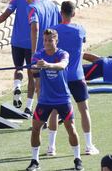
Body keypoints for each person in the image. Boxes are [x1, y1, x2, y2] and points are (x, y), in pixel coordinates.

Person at [46, 1, 99, 156]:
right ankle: (89, 146)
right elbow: (82, 44)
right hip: (76, 76)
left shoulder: (53, 31)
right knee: (84, 110)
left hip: (59, 77)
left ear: (60, 13)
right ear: (73, 14)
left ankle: (51, 148)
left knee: (54, 112)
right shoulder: (80, 30)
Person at [26, 29, 83, 171]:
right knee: (35, 129)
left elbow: (62, 65)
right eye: (45, 40)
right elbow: (33, 70)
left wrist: (47, 65)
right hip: (45, 99)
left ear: (56, 41)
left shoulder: (63, 54)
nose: (46, 43)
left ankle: (77, 159)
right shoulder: (39, 55)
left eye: (50, 40)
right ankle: (35, 161)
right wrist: (35, 66)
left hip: (63, 98)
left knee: (71, 128)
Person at [0, 0, 43, 114]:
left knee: (18, 69)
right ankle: (29, 107)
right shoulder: (41, 1)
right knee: (31, 75)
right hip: (32, 44)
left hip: (16, 41)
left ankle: (17, 85)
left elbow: (6, 14)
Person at [23, 0, 61, 112]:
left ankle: (43, 116)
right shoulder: (51, 4)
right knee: (54, 83)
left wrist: (33, 53)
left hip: (41, 53)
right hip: (54, 51)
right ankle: (58, 113)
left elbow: (35, 28)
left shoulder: (32, 7)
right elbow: (60, 21)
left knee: (39, 86)